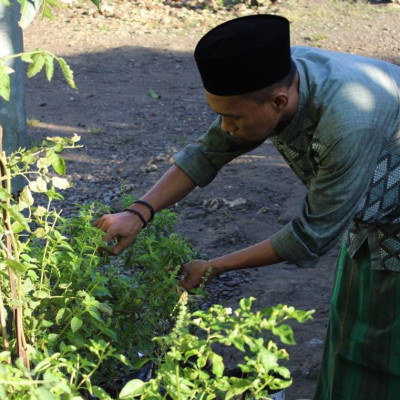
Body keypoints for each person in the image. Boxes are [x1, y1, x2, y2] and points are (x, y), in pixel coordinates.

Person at [94, 14, 400, 400]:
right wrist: (138, 213)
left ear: (278, 102)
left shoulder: (348, 124)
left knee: (388, 351)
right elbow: (209, 152)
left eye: (232, 117)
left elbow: (311, 235)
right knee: (353, 337)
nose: (224, 127)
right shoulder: (282, 76)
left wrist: (215, 267)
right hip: (376, 220)